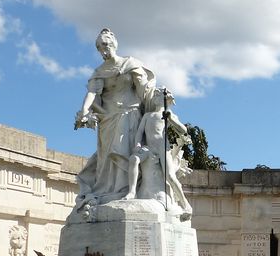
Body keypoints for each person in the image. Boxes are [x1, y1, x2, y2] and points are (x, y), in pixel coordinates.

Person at [74, 29, 154, 205]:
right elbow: (92, 93)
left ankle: (126, 189)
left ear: (114, 44)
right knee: (107, 157)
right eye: (99, 48)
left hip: (131, 113)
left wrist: (157, 104)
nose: (103, 50)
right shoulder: (99, 71)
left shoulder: (130, 64)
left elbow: (144, 92)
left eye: (105, 45)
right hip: (108, 118)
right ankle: (110, 190)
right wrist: (84, 111)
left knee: (124, 150)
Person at [124, 86, 193, 214]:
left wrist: (170, 118)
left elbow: (183, 130)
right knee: (133, 159)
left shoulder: (168, 114)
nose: (155, 98)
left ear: (165, 99)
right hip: (148, 147)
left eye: (157, 95)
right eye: (154, 95)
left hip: (162, 146)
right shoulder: (147, 115)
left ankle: (185, 204)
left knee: (170, 176)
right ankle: (132, 192)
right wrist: (138, 145)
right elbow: (139, 133)